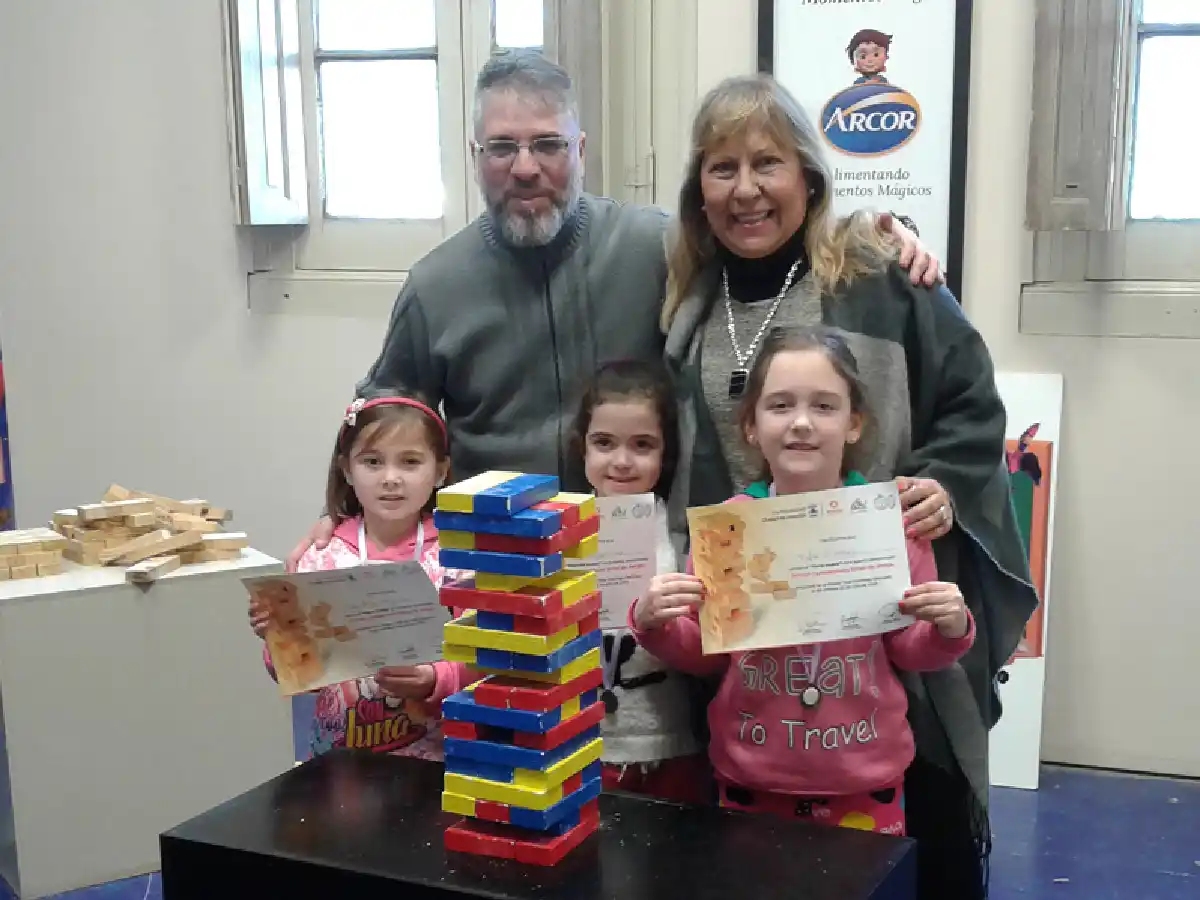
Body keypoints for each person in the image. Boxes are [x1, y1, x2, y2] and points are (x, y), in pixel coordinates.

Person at [286, 49, 942, 571]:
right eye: (502, 148)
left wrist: (878, 232)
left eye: (546, 144)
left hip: (649, 561)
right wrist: (339, 513)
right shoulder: (435, 285)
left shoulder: (660, 248)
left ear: (581, 149)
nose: (524, 168)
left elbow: (769, 230)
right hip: (498, 572)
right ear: (475, 158)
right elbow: (381, 418)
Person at [659, 73, 1037, 898]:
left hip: (881, 608)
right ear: (699, 190)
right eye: (722, 168)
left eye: (768, 163)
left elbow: (972, 401)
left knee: (910, 835)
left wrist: (938, 486)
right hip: (753, 637)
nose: (747, 189)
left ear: (810, 177)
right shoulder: (686, 302)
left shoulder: (879, 271)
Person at [632, 326, 974, 835]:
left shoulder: (890, 523)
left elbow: (906, 650)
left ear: (854, 424)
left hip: (864, 780)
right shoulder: (728, 529)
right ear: (750, 426)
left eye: (824, 406)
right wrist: (655, 623)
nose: (801, 423)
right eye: (780, 405)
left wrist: (949, 627)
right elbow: (708, 654)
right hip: (752, 779)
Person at [250, 390, 473, 759]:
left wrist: (438, 678)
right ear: (346, 470)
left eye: (410, 462)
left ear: (440, 472)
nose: (390, 478)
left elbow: (487, 656)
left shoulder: (459, 559)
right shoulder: (319, 558)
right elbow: (298, 679)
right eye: (372, 461)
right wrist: (280, 639)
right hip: (338, 765)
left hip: (438, 764)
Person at [568, 360, 711, 804]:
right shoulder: (556, 530)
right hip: (574, 746)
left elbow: (705, 651)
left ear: (665, 454)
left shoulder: (683, 536)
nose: (622, 461)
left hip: (667, 746)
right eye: (604, 443)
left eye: (642, 445)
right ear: (583, 449)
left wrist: (658, 623)